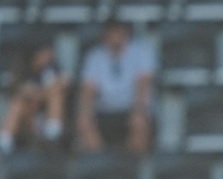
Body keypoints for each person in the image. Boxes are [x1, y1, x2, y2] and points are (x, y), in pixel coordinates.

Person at [75, 19, 156, 154]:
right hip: (104, 109)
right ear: (104, 36)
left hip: (132, 107)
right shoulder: (94, 56)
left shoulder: (140, 52)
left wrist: (139, 109)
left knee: (140, 122)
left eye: (118, 33)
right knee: (83, 122)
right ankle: (101, 165)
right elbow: (87, 90)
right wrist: (84, 113)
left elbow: (143, 85)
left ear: (125, 33)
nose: (114, 38)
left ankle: (132, 167)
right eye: (111, 34)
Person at [0, 41, 67, 154]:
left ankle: (52, 137)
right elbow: (22, 92)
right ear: (37, 55)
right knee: (17, 103)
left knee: (56, 96)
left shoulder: (53, 69)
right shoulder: (23, 69)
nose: (48, 57)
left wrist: (40, 94)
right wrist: (42, 93)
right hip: (28, 117)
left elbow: (61, 85)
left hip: (47, 115)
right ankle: (4, 142)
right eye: (45, 54)